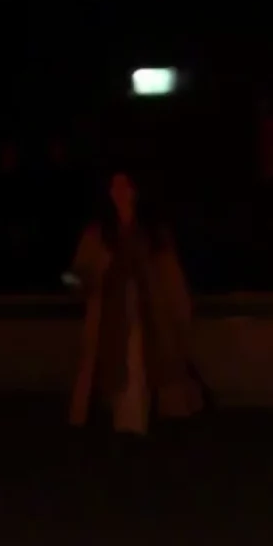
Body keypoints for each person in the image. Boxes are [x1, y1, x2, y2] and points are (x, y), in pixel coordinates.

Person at [67, 168, 204, 433]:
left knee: (151, 367)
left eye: (125, 187)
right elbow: (75, 274)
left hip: (148, 313)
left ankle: (147, 422)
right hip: (110, 316)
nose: (119, 193)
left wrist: (179, 307)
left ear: (135, 191)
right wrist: (85, 280)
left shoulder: (152, 233)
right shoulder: (99, 233)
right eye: (114, 187)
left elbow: (170, 276)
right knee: (116, 370)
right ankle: (120, 424)